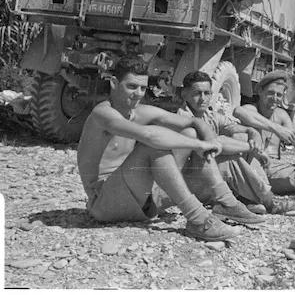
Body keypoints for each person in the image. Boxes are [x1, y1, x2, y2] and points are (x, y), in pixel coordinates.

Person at [77, 56, 264, 243]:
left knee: (191, 133)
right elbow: (148, 136)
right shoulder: (103, 113)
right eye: (132, 86)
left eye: (142, 88)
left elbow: (194, 121)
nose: (138, 94)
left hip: (142, 199)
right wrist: (200, 145)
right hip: (105, 201)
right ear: (114, 83)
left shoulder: (140, 111)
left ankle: (226, 202)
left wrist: (208, 138)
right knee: (154, 148)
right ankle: (198, 219)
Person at [178, 70, 295, 216]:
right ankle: (268, 201)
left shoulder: (209, 115)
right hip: (191, 184)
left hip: (214, 178)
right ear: (184, 94)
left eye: (207, 93)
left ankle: (262, 199)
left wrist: (252, 133)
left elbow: (234, 127)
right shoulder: (184, 119)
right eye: (197, 93)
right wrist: (253, 148)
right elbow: (216, 142)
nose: (203, 98)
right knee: (229, 157)